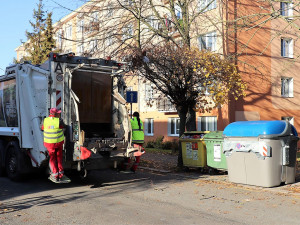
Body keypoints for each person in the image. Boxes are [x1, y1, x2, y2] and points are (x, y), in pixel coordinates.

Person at [41, 108, 71, 183]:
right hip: (58, 143)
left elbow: (41, 128)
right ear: (55, 114)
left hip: (49, 143)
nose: (59, 114)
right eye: (58, 113)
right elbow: (64, 128)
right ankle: (60, 174)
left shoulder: (45, 120)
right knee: (59, 158)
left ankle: (55, 174)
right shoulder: (59, 121)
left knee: (52, 159)